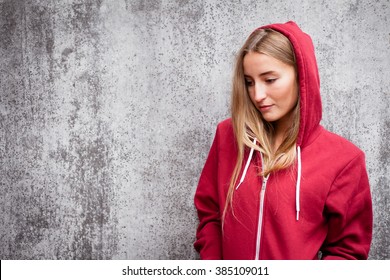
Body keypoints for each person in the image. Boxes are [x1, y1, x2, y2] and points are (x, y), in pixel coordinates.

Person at [193, 21, 373, 260]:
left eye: (269, 80)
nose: (257, 95)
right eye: (249, 82)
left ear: (302, 77)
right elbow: (211, 215)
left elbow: (347, 250)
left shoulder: (344, 159)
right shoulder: (228, 136)